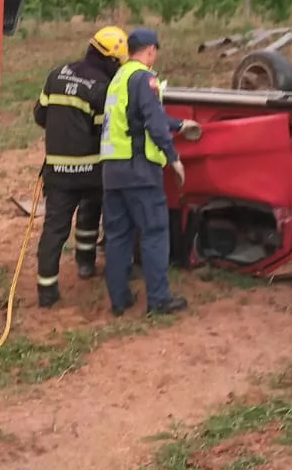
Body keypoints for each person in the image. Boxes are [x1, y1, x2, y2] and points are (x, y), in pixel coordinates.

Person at [100, 26, 197, 317]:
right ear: (151, 50)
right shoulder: (145, 78)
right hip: (139, 171)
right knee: (154, 232)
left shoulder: (118, 78)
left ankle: (120, 301)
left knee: (118, 236)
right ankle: (159, 300)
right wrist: (173, 157)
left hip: (112, 171)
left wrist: (179, 125)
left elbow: (134, 118)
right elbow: (152, 121)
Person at [33, 25, 129, 308]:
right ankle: (85, 263)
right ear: (111, 60)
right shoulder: (102, 88)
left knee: (54, 229)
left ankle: (46, 290)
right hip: (90, 171)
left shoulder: (56, 75)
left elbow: (41, 115)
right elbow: (104, 132)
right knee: (90, 214)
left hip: (57, 171)